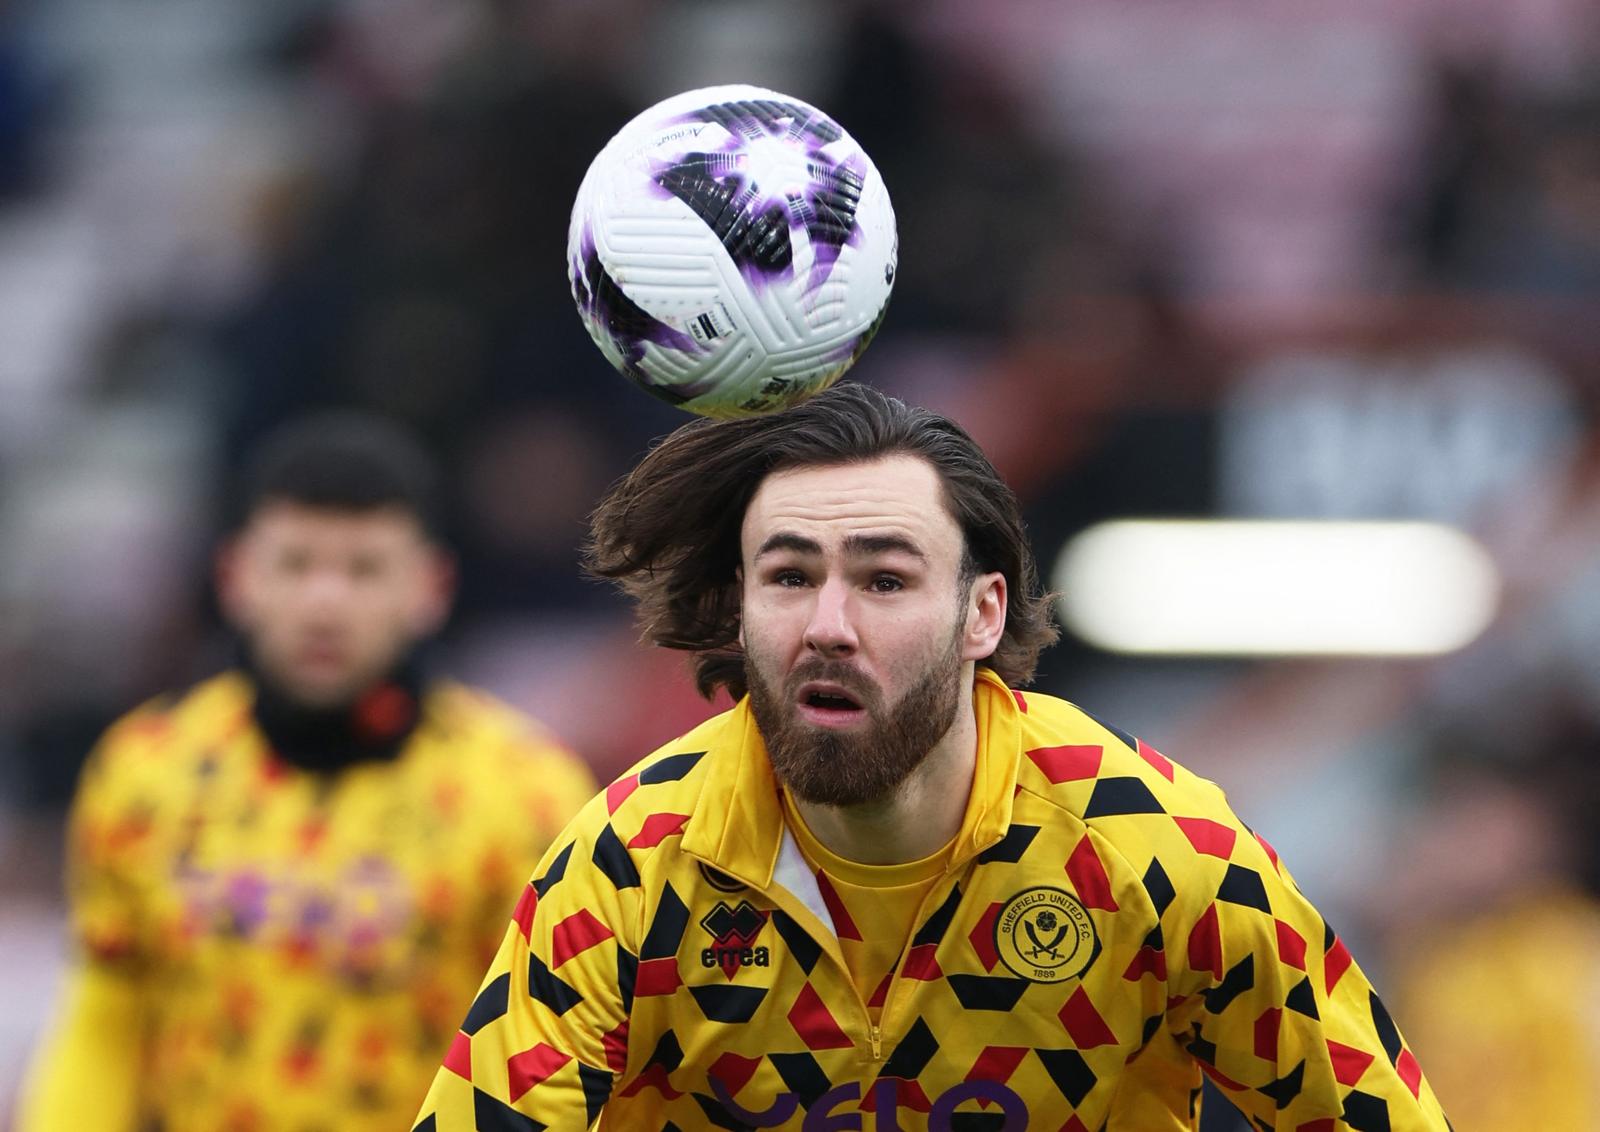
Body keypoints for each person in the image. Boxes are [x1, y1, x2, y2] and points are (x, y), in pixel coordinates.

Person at [411, 383, 1450, 1129]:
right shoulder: (630, 865)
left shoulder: (1157, 853)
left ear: (981, 614)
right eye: (786, 576)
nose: (827, 622)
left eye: (885, 579)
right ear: (738, 610)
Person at [15, 414, 596, 1132]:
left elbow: (546, 1060)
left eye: (363, 569)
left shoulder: (526, 793)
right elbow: (107, 1020)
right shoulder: (145, 770)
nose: (326, 603)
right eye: (295, 564)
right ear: (235, 578)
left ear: (430, 588)